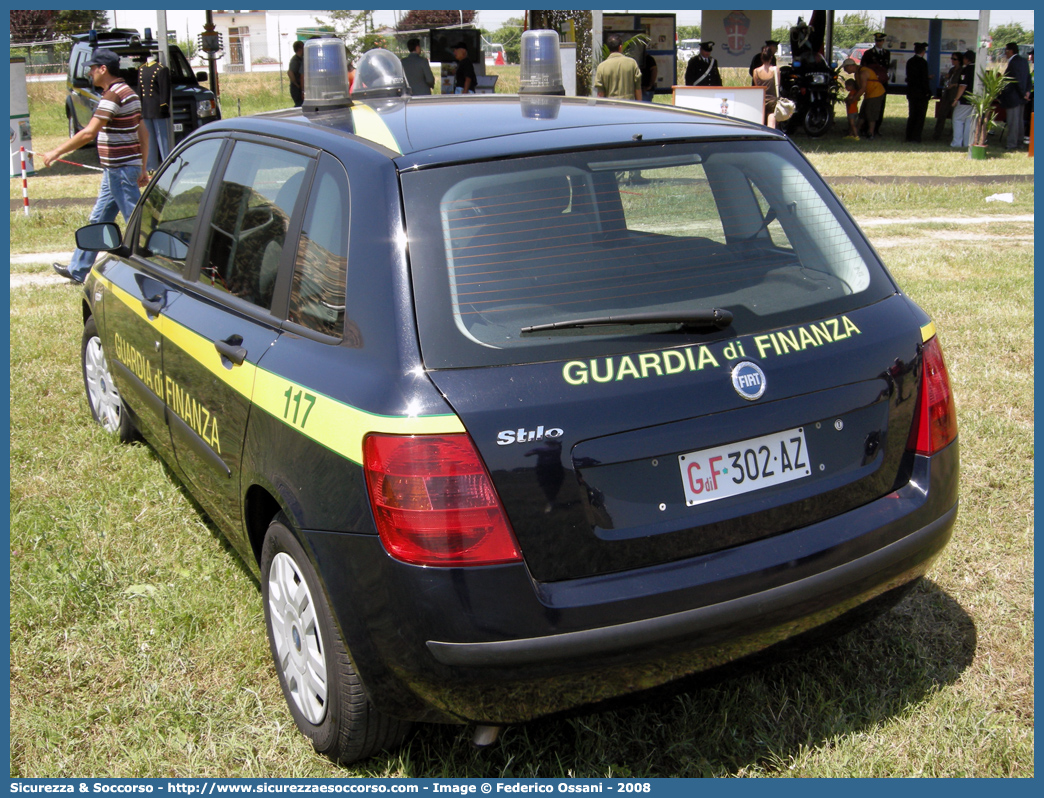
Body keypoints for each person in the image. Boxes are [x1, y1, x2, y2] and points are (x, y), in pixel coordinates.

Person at [43, 49, 149, 284]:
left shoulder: (113, 96)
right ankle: (77, 270)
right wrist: (142, 167)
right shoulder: (129, 92)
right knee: (98, 220)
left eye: (92, 68)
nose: (89, 72)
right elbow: (143, 132)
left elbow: (89, 132)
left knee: (135, 221)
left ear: (104, 69)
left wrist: (55, 152)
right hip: (119, 170)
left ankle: (157, 265)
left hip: (120, 171)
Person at [138, 50, 170, 170]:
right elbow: (140, 92)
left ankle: (166, 164)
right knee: (149, 137)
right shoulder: (142, 69)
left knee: (162, 138)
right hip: (146, 108)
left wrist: (164, 105)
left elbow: (164, 90)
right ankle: (151, 166)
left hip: (158, 108)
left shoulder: (161, 69)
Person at [1000, 42, 1031, 150]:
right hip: (1022, 96)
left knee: (1013, 121)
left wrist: (1023, 94)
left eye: (1006, 50)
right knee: (1020, 122)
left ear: (1010, 51)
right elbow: (1028, 77)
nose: (1005, 53)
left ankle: (1011, 144)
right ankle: (1019, 142)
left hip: (1014, 96)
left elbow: (1016, 80)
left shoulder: (1013, 63)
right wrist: (1027, 92)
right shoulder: (1023, 61)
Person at [594, 34, 641, 101]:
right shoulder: (632, 63)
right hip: (629, 106)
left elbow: (601, 94)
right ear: (620, 47)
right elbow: (638, 89)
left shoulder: (602, 67)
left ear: (608, 48)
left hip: (611, 108)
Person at [861, 33, 890, 134]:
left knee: (881, 106)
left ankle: (876, 128)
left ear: (883, 41)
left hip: (882, 82)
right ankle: (865, 128)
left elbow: (886, 68)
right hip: (872, 82)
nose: (879, 43)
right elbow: (863, 66)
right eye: (877, 41)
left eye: (881, 41)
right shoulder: (869, 53)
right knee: (869, 106)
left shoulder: (887, 53)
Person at [905, 42, 931, 143]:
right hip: (921, 93)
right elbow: (923, 79)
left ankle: (909, 136)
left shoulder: (910, 61)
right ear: (923, 52)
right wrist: (927, 92)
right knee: (920, 116)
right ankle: (916, 137)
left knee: (912, 114)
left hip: (911, 92)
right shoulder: (923, 63)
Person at [854, 56, 885, 140]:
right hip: (869, 94)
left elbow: (863, 88)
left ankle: (870, 133)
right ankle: (856, 130)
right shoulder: (857, 73)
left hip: (875, 93)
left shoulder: (863, 72)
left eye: (846, 68)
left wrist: (854, 98)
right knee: (863, 113)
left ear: (850, 66)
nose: (845, 71)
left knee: (871, 113)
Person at [933, 52, 963, 141]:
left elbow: (962, 84)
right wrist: (946, 78)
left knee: (955, 116)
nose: (952, 61)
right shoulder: (952, 69)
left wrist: (954, 85)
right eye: (952, 58)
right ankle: (937, 134)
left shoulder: (962, 70)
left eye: (954, 59)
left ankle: (954, 134)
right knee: (941, 114)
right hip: (947, 95)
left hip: (954, 95)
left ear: (959, 61)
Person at [950, 50, 975, 148]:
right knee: (969, 121)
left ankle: (956, 142)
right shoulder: (978, 69)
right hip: (974, 99)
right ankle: (967, 142)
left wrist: (956, 99)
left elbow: (962, 86)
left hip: (964, 99)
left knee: (957, 119)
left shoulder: (966, 70)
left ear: (966, 59)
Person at [751, 50, 778, 128]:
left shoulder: (756, 71)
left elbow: (757, 86)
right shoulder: (775, 70)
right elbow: (777, 85)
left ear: (761, 58)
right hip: (772, 100)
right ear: (771, 58)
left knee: (760, 123)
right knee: (771, 124)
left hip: (761, 99)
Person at [288, 40, 304, 107]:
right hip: (297, 88)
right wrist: (297, 85)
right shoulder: (295, 60)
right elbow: (290, 72)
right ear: (299, 49)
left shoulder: (300, 59)